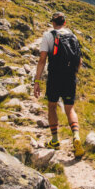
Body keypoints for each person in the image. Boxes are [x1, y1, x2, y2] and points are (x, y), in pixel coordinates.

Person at [34, 12, 85, 158]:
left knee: (52, 106)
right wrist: (73, 74)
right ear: (65, 22)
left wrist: (37, 81)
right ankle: (76, 137)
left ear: (53, 23)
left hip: (54, 77)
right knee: (70, 109)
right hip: (69, 78)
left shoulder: (48, 36)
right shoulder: (72, 36)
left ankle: (55, 140)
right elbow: (79, 61)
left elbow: (42, 60)